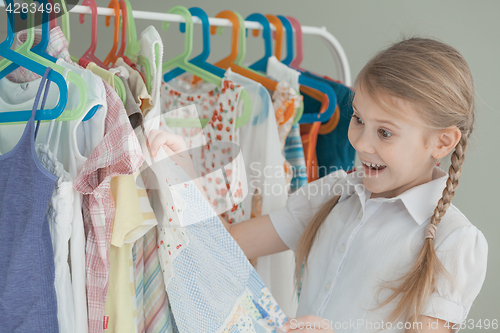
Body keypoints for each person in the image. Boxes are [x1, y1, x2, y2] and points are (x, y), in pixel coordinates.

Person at [147, 37, 488, 333]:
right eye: (358, 119)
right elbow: (223, 247)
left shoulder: (454, 242)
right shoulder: (334, 193)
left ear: (442, 143)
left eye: (384, 132)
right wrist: (183, 177)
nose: (362, 143)